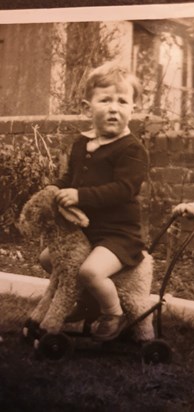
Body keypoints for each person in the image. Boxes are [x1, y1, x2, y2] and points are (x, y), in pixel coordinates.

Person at [40, 62, 149, 341]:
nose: (114, 107)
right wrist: (55, 189)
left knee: (90, 270)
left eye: (122, 101)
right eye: (105, 100)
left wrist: (81, 196)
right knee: (48, 259)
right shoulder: (81, 143)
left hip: (118, 235)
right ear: (88, 106)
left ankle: (113, 313)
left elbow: (123, 189)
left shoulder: (132, 150)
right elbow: (70, 179)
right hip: (84, 232)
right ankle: (85, 303)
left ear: (133, 108)